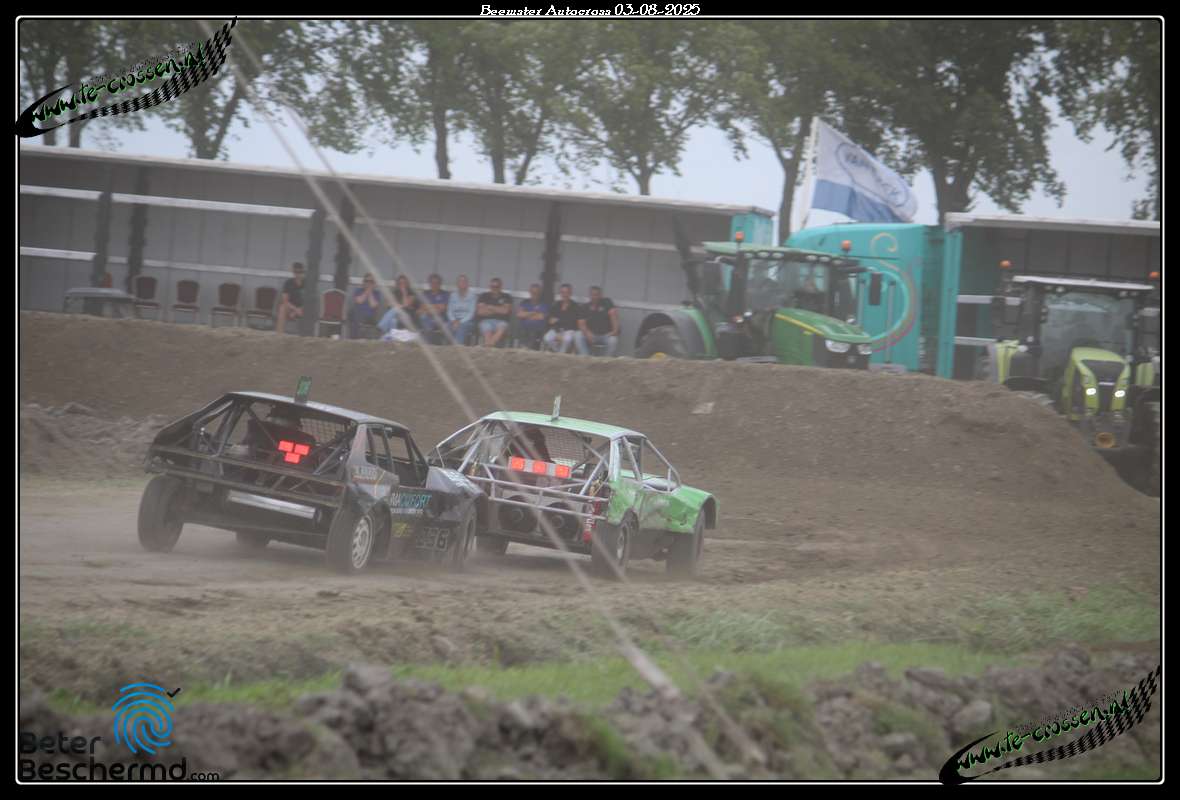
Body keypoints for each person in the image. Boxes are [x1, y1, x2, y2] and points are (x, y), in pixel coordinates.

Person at [577, 285, 619, 356]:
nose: (595, 297)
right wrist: (587, 332)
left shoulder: (607, 302)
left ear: (600, 295)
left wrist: (615, 331)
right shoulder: (584, 307)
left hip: (605, 336)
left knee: (613, 340)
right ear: (590, 295)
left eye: (597, 295)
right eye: (593, 295)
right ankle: (585, 357)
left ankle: (605, 360)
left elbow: (613, 315)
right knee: (577, 335)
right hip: (591, 335)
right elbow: (581, 323)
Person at [543, 283, 582, 353]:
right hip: (556, 330)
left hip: (569, 330)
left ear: (570, 293)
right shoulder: (556, 304)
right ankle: (558, 352)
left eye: (567, 292)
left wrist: (558, 320)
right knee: (547, 338)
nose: (565, 295)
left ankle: (561, 353)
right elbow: (549, 319)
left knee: (567, 339)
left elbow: (572, 322)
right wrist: (557, 330)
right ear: (560, 293)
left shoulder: (575, 306)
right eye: (563, 292)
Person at [476, 277, 513, 347]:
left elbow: (505, 311)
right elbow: (480, 311)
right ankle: (489, 346)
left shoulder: (507, 296)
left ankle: (488, 346)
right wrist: (498, 310)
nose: (495, 288)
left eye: (497, 287)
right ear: (490, 287)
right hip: (486, 320)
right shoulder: (484, 296)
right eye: (493, 286)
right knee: (487, 329)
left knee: (501, 328)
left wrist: (490, 307)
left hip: (501, 321)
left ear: (501, 287)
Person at [515, 283, 549, 350]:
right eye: (533, 292)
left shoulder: (544, 304)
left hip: (537, 329)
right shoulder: (524, 302)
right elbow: (519, 314)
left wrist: (526, 315)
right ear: (530, 292)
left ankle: (529, 348)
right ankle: (524, 348)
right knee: (521, 329)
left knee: (533, 332)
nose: (534, 294)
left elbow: (541, 316)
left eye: (536, 292)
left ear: (539, 293)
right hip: (524, 328)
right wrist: (533, 313)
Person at [348, 273, 382, 339]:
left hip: (370, 316)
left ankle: (355, 338)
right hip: (358, 313)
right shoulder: (358, 290)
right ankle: (355, 338)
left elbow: (373, 305)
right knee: (355, 313)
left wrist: (370, 292)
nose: (369, 283)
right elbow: (359, 301)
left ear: (374, 283)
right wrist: (367, 291)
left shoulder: (377, 293)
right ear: (363, 282)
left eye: (371, 281)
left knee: (356, 315)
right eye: (366, 281)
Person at [419, 273, 450, 344]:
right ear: (429, 283)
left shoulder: (445, 294)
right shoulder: (425, 294)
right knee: (423, 317)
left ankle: (429, 342)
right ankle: (429, 342)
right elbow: (422, 308)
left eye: (437, 283)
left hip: (440, 317)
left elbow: (443, 308)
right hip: (427, 317)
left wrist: (429, 307)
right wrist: (436, 306)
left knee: (431, 320)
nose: (434, 285)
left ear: (440, 284)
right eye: (432, 282)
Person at [275, 261, 306, 334]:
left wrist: (300, 309)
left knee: (309, 309)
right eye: (296, 272)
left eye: (300, 272)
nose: (298, 274)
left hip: (304, 308)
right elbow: (285, 300)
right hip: (291, 307)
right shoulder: (288, 283)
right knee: (282, 308)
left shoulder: (308, 283)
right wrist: (295, 310)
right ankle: (279, 334)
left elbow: (310, 301)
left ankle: (306, 335)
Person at [447, 274, 477, 345]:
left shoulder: (472, 296)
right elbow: (449, 311)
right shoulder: (453, 295)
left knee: (461, 327)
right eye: (460, 281)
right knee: (446, 326)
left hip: (467, 321)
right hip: (454, 320)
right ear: (457, 284)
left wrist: (460, 322)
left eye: (464, 281)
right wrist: (453, 320)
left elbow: (471, 313)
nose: (462, 283)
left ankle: (458, 347)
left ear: (467, 284)